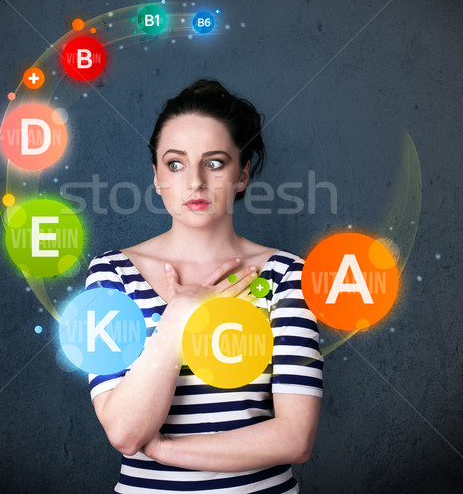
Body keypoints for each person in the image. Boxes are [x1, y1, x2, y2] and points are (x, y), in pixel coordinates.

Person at [86, 79, 323, 493]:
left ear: (242, 174)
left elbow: (295, 439)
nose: (194, 181)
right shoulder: (112, 275)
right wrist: (178, 318)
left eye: (214, 162)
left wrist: (163, 449)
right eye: (175, 164)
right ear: (156, 177)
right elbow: (124, 432)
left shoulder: (288, 276)